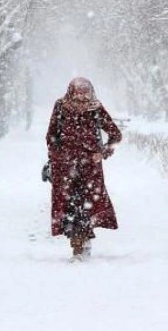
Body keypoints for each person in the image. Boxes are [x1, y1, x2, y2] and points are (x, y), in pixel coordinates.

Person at [45, 77, 122, 261]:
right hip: (65, 169)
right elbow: (51, 136)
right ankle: (77, 245)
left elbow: (116, 135)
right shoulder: (61, 106)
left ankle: (82, 243)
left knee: (86, 206)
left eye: (85, 95)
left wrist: (103, 153)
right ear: (71, 92)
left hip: (90, 169)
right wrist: (57, 156)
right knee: (70, 206)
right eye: (78, 95)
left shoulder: (95, 108)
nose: (81, 100)